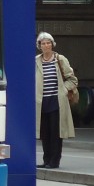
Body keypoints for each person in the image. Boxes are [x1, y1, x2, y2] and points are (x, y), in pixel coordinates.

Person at [35, 31, 79, 169]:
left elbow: (72, 80)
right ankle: (46, 159)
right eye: (43, 43)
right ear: (39, 46)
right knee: (44, 133)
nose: (46, 46)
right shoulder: (36, 61)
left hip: (56, 101)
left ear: (52, 44)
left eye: (48, 43)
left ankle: (55, 161)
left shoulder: (60, 59)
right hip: (41, 102)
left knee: (56, 132)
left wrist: (64, 90)